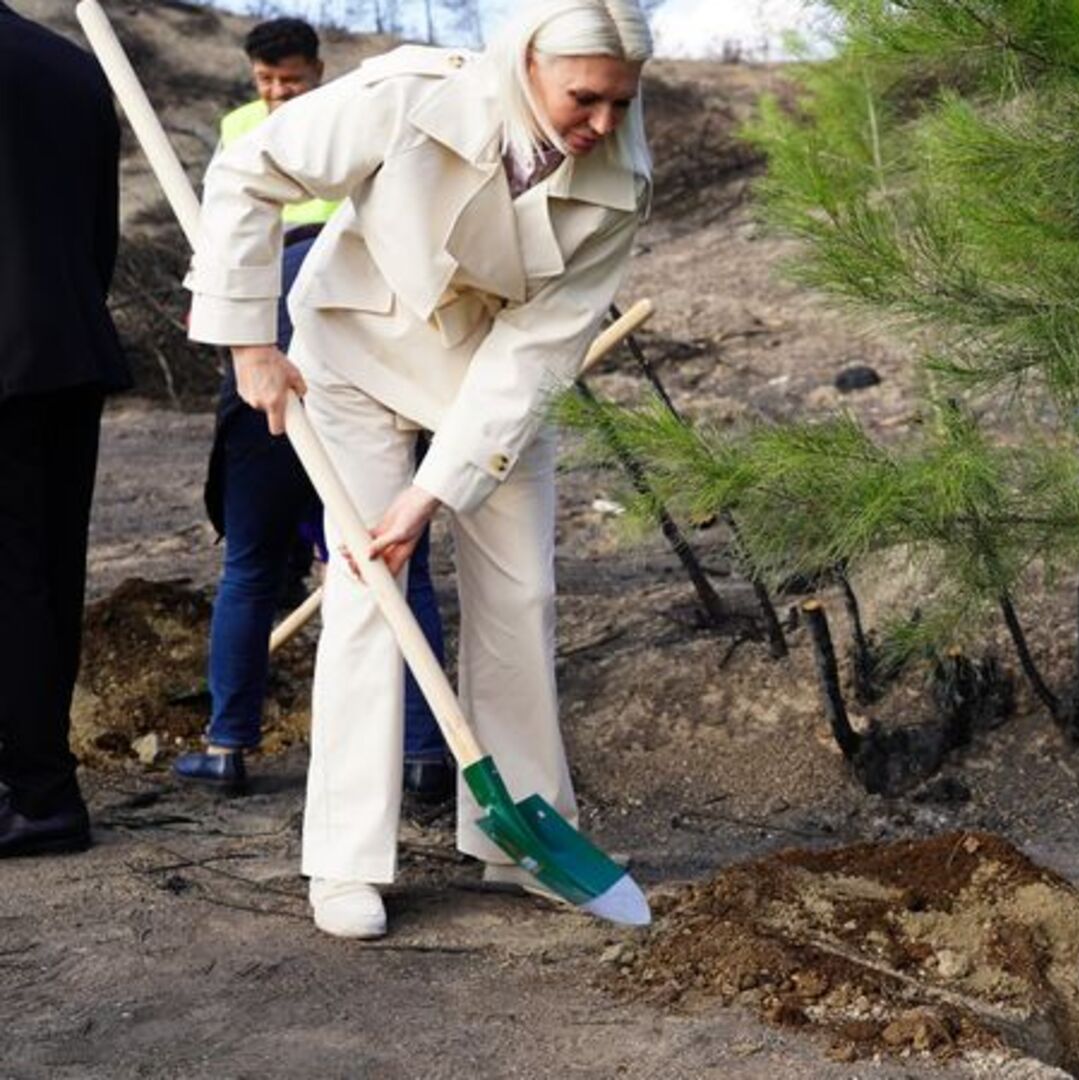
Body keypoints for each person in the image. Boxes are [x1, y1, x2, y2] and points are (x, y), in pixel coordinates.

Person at [185, 0, 653, 939]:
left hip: (489, 390)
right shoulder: (407, 96)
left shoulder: (620, 181)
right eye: (584, 99)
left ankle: (521, 839)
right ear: (526, 63)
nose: (602, 123)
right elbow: (249, 171)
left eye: (620, 103)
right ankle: (347, 861)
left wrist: (433, 492)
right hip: (353, 355)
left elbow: (535, 356)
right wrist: (247, 343)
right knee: (369, 592)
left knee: (521, 597)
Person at [172, 17, 457, 804]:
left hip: (309, 335)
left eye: (290, 80)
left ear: (316, 72)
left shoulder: (350, 122)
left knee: (278, 561)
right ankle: (420, 752)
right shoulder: (250, 132)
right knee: (387, 559)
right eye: (264, 81)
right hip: (312, 342)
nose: (276, 94)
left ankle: (242, 746)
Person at [0, 0, 134, 857]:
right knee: (45, 573)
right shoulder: (72, 63)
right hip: (66, 351)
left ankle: (36, 795)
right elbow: (100, 234)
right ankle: (42, 785)